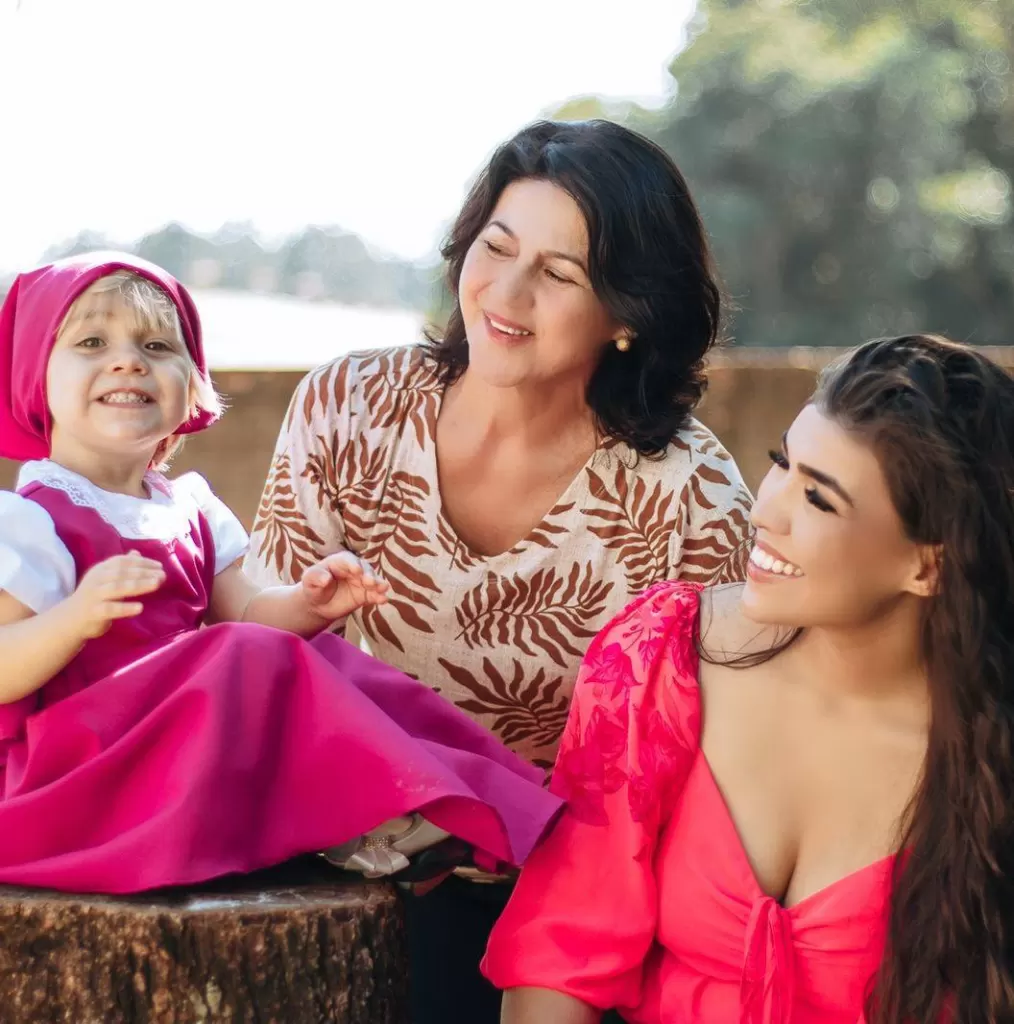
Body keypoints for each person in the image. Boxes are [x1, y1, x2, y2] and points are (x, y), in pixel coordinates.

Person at [245, 118, 753, 1022]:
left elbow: (711, 765)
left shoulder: (693, 495)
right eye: (497, 246)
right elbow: (260, 651)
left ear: (629, 313)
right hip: (325, 877)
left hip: (559, 916)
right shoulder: (349, 405)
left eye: (559, 274)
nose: (506, 293)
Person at [484, 333, 1014, 1023]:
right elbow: (560, 956)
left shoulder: (992, 756)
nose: (765, 511)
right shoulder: (661, 660)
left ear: (927, 565)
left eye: (818, 499)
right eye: (782, 464)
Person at [0, 251, 562, 895]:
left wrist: (307, 605)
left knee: (331, 660)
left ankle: (474, 800)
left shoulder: (186, 508)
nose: (128, 361)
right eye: (91, 343)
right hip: (78, 774)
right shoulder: (32, 520)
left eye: (156, 345)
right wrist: (74, 619)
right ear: (35, 378)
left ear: (191, 385)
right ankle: (367, 818)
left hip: (172, 750)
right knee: (236, 655)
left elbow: (246, 617)